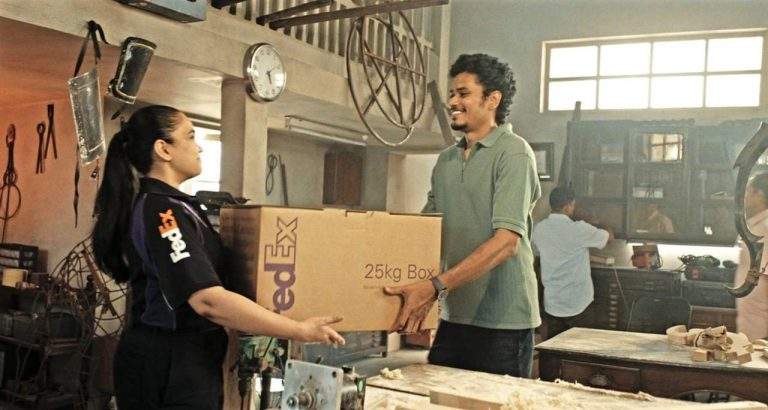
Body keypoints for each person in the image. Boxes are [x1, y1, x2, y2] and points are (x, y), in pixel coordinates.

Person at [92, 105, 345, 410]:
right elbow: (207, 301)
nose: (198, 146)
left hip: (187, 357)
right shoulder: (163, 212)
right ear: (164, 149)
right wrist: (298, 330)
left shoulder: (179, 206)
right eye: (190, 136)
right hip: (167, 361)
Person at [385, 54, 541, 377]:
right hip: (454, 315)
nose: (453, 102)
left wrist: (434, 287)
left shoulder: (514, 152)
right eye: (452, 94)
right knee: (438, 397)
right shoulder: (446, 160)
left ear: (492, 99)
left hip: (504, 324)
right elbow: (425, 231)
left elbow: (506, 243)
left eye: (463, 93)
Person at [531, 186, 610, 339]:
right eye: (573, 205)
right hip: (578, 303)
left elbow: (539, 253)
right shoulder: (579, 229)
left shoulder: (539, 229)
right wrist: (598, 222)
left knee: (555, 347)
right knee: (579, 348)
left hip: (553, 303)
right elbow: (607, 238)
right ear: (567, 207)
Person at [735, 172, 768, 341]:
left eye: (748, 191)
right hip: (751, 326)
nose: (744, 197)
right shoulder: (754, 227)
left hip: (761, 331)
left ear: (759, 195)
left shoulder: (764, 229)